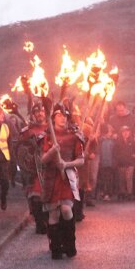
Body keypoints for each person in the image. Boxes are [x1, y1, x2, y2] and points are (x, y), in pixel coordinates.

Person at [40, 104, 84, 259]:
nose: (63, 118)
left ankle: (69, 244)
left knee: (65, 209)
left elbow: (81, 160)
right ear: (53, 118)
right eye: (59, 115)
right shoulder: (47, 136)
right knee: (53, 213)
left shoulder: (74, 136)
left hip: (67, 178)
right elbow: (43, 160)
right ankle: (56, 248)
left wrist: (67, 164)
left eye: (65, 116)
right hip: (52, 178)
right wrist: (53, 150)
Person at [19, 103, 49, 233]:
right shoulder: (27, 131)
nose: (40, 114)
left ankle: (49, 222)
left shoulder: (51, 129)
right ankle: (39, 223)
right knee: (35, 196)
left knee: (50, 196)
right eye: (37, 112)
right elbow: (20, 150)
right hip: (34, 168)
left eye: (42, 111)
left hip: (49, 167)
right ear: (33, 115)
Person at [114, 125, 135, 200]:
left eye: (127, 131)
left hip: (130, 163)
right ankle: (122, 192)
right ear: (121, 133)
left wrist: (134, 155)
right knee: (122, 178)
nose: (126, 133)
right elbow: (115, 152)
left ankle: (129, 193)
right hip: (121, 163)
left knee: (129, 178)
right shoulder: (118, 142)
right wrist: (118, 159)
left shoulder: (132, 141)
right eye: (124, 132)